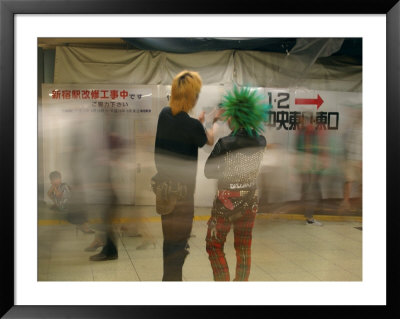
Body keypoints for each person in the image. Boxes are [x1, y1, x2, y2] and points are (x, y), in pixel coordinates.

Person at [153, 70, 217, 281]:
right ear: (192, 98)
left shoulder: (164, 114)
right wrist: (212, 122)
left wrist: (198, 123)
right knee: (179, 245)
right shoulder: (192, 126)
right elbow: (208, 140)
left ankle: (168, 281)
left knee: (169, 242)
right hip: (183, 197)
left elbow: (186, 131)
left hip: (164, 193)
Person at [204, 86, 269, 281]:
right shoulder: (261, 141)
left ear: (235, 116)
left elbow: (209, 172)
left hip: (225, 202)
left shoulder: (226, 143)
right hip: (250, 201)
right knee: (243, 247)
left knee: (214, 245)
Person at [295, 113, 328, 226]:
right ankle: (309, 217)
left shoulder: (304, 132)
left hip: (308, 167)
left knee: (309, 191)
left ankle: (309, 215)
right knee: (310, 191)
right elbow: (312, 149)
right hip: (310, 167)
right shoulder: (307, 131)